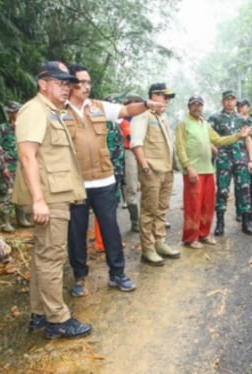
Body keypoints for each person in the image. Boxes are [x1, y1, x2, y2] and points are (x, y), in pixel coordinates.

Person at [64, 64, 165, 295]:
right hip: (75, 184)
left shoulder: (98, 107)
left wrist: (147, 104)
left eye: (89, 82)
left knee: (111, 229)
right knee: (76, 233)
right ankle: (80, 276)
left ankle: (117, 274)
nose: (87, 87)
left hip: (103, 181)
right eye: (82, 82)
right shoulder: (59, 111)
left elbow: (126, 111)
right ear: (70, 84)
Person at [11, 61, 91, 339]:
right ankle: (57, 319)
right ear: (42, 83)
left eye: (68, 83)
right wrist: (38, 200)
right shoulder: (34, 111)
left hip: (56, 194)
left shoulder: (53, 112)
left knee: (42, 257)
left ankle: (40, 314)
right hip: (48, 197)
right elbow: (27, 156)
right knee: (52, 257)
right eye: (60, 82)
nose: (66, 87)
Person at [175, 96, 251, 248]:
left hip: (208, 170)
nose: (197, 108)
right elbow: (180, 147)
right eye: (194, 105)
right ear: (189, 107)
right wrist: (188, 166)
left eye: (200, 105)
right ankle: (191, 238)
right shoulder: (184, 123)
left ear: (203, 107)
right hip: (193, 170)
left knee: (207, 205)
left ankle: (203, 234)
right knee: (193, 205)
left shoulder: (204, 123)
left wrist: (238, 136)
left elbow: (218, 140)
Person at [130, 83, 180, 266]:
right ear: (153, 96)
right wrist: (145, 168)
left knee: (161, 210)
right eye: (164, 96)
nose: (167, 100)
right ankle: (148, 248)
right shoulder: (142, 115)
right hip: (151, 171)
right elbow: (136, 143)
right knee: (149, 211)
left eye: (168, 97)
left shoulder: (163, 117)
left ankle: (159, 242)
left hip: (166, 171)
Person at [209, 90, 252, 236]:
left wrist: (251, 160)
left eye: (232, 99)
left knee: (244, 189)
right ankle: (220, 223)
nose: (229, 102)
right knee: (222, 190)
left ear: (236, 102)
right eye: (227, 99)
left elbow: (248, 139)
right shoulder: (215, 118)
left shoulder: (243, 119)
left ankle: (246, 222)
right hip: (224, 159)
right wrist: (217, 153)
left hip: (241, 158)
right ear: (222, 101)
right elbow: (209, 138)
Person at [0, 100, 33, 232]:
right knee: (7, 193)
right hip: (8, 165)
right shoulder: (2, 128)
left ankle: (21, 219)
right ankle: (5, 222)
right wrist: (2, 166)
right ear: (10, 113)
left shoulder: (24, 128)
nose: (17, 114)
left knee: (22, 192)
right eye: (14, 112)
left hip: (22, 165)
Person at [119, 94, 144, 232]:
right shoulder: (122, 120)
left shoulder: (146, 118)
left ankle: (153, 219)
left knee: (152, 188)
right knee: (131, 189)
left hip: (145, 150)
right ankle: (136, 220)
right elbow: (128, 137)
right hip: (129, 152)